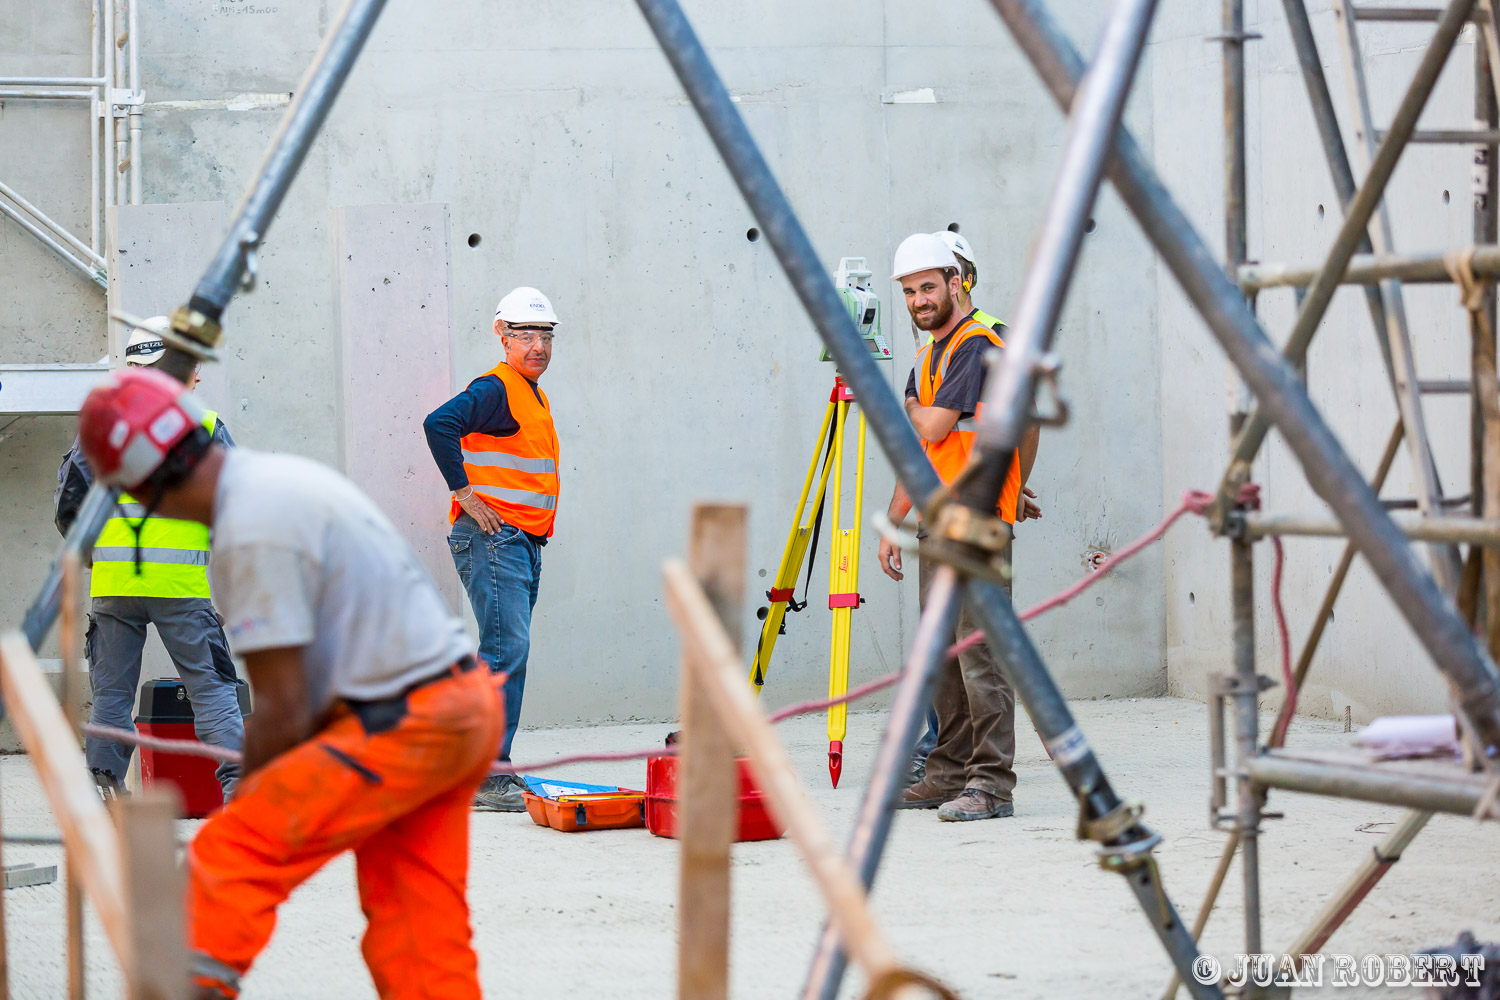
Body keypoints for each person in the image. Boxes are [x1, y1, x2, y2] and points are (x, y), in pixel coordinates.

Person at [76, 368, 504, 1000]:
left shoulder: (249, 526)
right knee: (415, 919)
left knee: (232, 853)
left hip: (402, 722)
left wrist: (249, 788)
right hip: (459, 707)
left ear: (141, 486)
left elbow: (285, 707)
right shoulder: (277, 481)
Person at [876, 232, 1040, 822]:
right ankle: (946, 774)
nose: (919, 300)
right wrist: (893, 521)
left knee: (980, 656)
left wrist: (1009, 485)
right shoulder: (928, 355)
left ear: (958, 282)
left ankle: (992, 784)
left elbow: (937, 427)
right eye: (909, 291)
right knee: (943, 655)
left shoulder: (980, 343)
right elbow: (920, 449)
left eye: (928, 286)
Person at [54, 317, 245, 799]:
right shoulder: (202, 426)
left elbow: (68, 504)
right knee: (214, 694)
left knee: (112, 700)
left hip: (115, 587)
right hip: (180, 588)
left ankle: (105, 798)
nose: (198, 375)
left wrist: (98, 555)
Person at [423, 286, 561, 812]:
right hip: (494, 538)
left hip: (519, 541)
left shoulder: (529, 392)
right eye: (526, 335)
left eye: (545, 336)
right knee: (506, 652)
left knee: (506, 652)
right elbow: (440, 424)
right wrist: (463, 494)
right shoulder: (499, 388)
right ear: (502, 336)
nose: (538, 347)